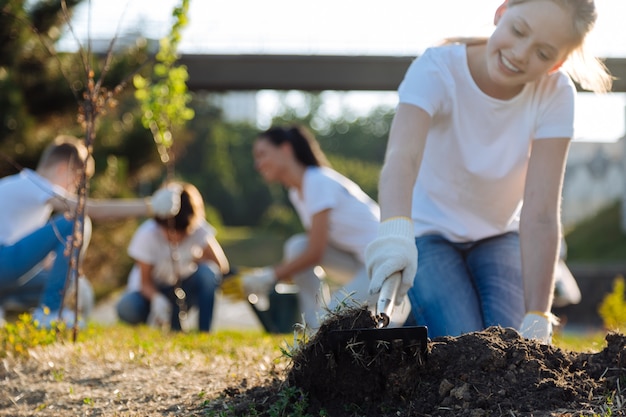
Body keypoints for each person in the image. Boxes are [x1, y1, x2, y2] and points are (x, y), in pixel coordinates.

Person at [364, 0, 612, 344]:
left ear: (557, 64)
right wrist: (395, 233)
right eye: (518, 31)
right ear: (501, 13)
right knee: (466, 344)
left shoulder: (555, 93)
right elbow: (401, 159)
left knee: (510, 348)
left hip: (499, 235)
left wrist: (538, 314)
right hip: (429, 234)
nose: (522, 54)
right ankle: (412, 328)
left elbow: (541, 212)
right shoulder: (437, 67)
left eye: (543, 53)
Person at [0, 135, 181, 328]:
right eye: (77, 181)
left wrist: (73, 281)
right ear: (63, 169)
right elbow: (92, 210)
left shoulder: (25, 190)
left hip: (8, 267)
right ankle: (50, 312)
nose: (75, 190)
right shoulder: (34, 184)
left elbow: (39, 262)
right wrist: (150, 206)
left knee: (66, 283)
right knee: (77, 221)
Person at [242, 125, 409, 331]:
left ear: (285, 149)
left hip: (388, 266)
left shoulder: (316, 181)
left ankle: (325, 326)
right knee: (297, 246)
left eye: (262, 154)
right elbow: (312, 249)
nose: (258, 164)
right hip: (361, 263)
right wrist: (272, 274)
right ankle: (313, 325)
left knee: (334, 317)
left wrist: (269, 275)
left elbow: (316, 252)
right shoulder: (297, 193)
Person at [116, 181, 229, 332]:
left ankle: (204, 331)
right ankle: (153, 321)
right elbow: (145, 282)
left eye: (182, 232)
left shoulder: (198, 229)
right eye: (170, 231)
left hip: (181, 292)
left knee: (208, 273)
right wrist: (157, 299)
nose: (175, 237)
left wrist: (195, 258)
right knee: (128, 306)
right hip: (151, 294)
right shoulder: (147, 234)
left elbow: (221, 267)